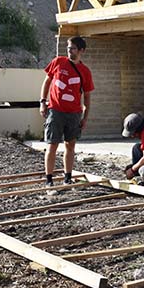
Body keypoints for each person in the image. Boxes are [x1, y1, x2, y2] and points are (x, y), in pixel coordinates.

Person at [39, 36, 94, 188]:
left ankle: (67, 176)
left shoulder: (85, 71)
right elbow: (47, 82)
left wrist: (85, 117)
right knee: (52, 145)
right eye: (69, 48)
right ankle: (49, 179)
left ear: (81, 50)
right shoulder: (58, 62)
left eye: (73, 48)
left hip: (74, 113)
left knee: (70, 145)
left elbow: (87, 96)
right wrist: (43, 102)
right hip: (55, 110)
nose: (70, 51)